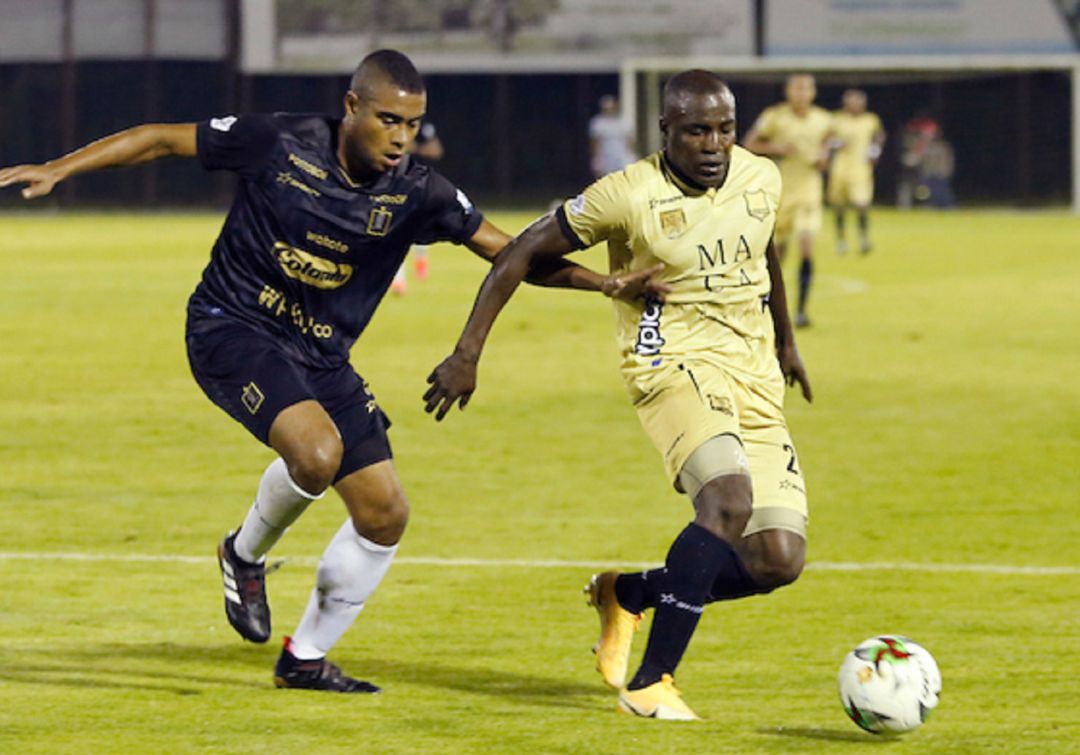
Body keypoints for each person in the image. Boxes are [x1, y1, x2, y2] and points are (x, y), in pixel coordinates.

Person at [0, 49, 657, 693]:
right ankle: (244, 553)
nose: (401, 138)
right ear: (351, 107)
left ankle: (305, 657)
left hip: (320, 355)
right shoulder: (278, 142)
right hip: (233, 327)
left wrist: (605, 283)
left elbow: (511, 253)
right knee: (316, 453)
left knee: (384, 513)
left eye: (411, 124)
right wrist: (59, 169)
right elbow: (160, 140)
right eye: (388, 120)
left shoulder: (417, 191)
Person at [423, 70, 813, 720]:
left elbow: (761, 247)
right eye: (696, 130)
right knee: (727, 501)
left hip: (753, 374)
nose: (713, 143)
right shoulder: (626, 195)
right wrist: (468, 352)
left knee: (777, 557)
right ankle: (652, 683)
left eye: (723, 128)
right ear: (666, 131)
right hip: (671, 365)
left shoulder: (759, 176)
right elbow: (520, 253)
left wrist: (787, 341)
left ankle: (628, 591)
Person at [743, 73, 832, 328]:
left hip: (809, 190)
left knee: (806, 245)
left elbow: (829, 142)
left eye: (806, 89)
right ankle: (767, 308)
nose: (801, 94)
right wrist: (778, 149)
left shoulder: (823, 120)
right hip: (781, 190)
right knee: (777, 255)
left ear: (813, 93)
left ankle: (802, 311)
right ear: (788, 92)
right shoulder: (775, 116)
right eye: (797, 88)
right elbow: (750, 143)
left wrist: (824, 155)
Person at [827, 89, 885, 255]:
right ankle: (841, 241)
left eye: (858, 102)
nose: (855, 105)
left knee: (862, 204)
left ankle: (863, 239)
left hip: (860, 167)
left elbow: (879, 136)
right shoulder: (836, 119)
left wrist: (875, 151)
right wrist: (835, 144)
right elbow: (827, 138)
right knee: (839, 206)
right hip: (840, 167)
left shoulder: (870, 120)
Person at [390, 119, 444, 294]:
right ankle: (398, 279)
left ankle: (420, 260)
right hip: (398, 184)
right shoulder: (393, 124)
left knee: (420, 225)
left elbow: (436, 151)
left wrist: (415, 148)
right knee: (397, 232)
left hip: (422, 185)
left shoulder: (426, 128)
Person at [589, 95, 637, 179]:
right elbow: (595, 143)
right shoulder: (598, 123)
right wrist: (596, 160)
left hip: (622, 156)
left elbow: (630, 141)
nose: (609, 111)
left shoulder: (624, 121)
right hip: (606, 157)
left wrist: (631, 154)